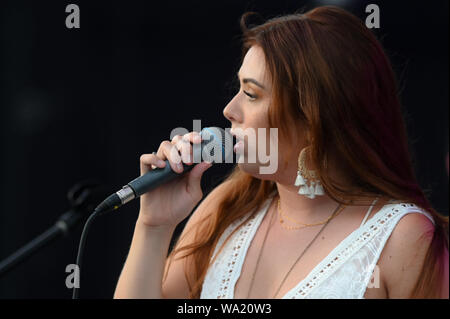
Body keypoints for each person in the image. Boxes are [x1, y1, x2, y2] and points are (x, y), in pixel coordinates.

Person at [113, 6, 449, 299]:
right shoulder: (226, 209)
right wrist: (153, 225)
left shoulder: (403, 235)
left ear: (313, 116)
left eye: (252, 94)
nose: (230, 110)